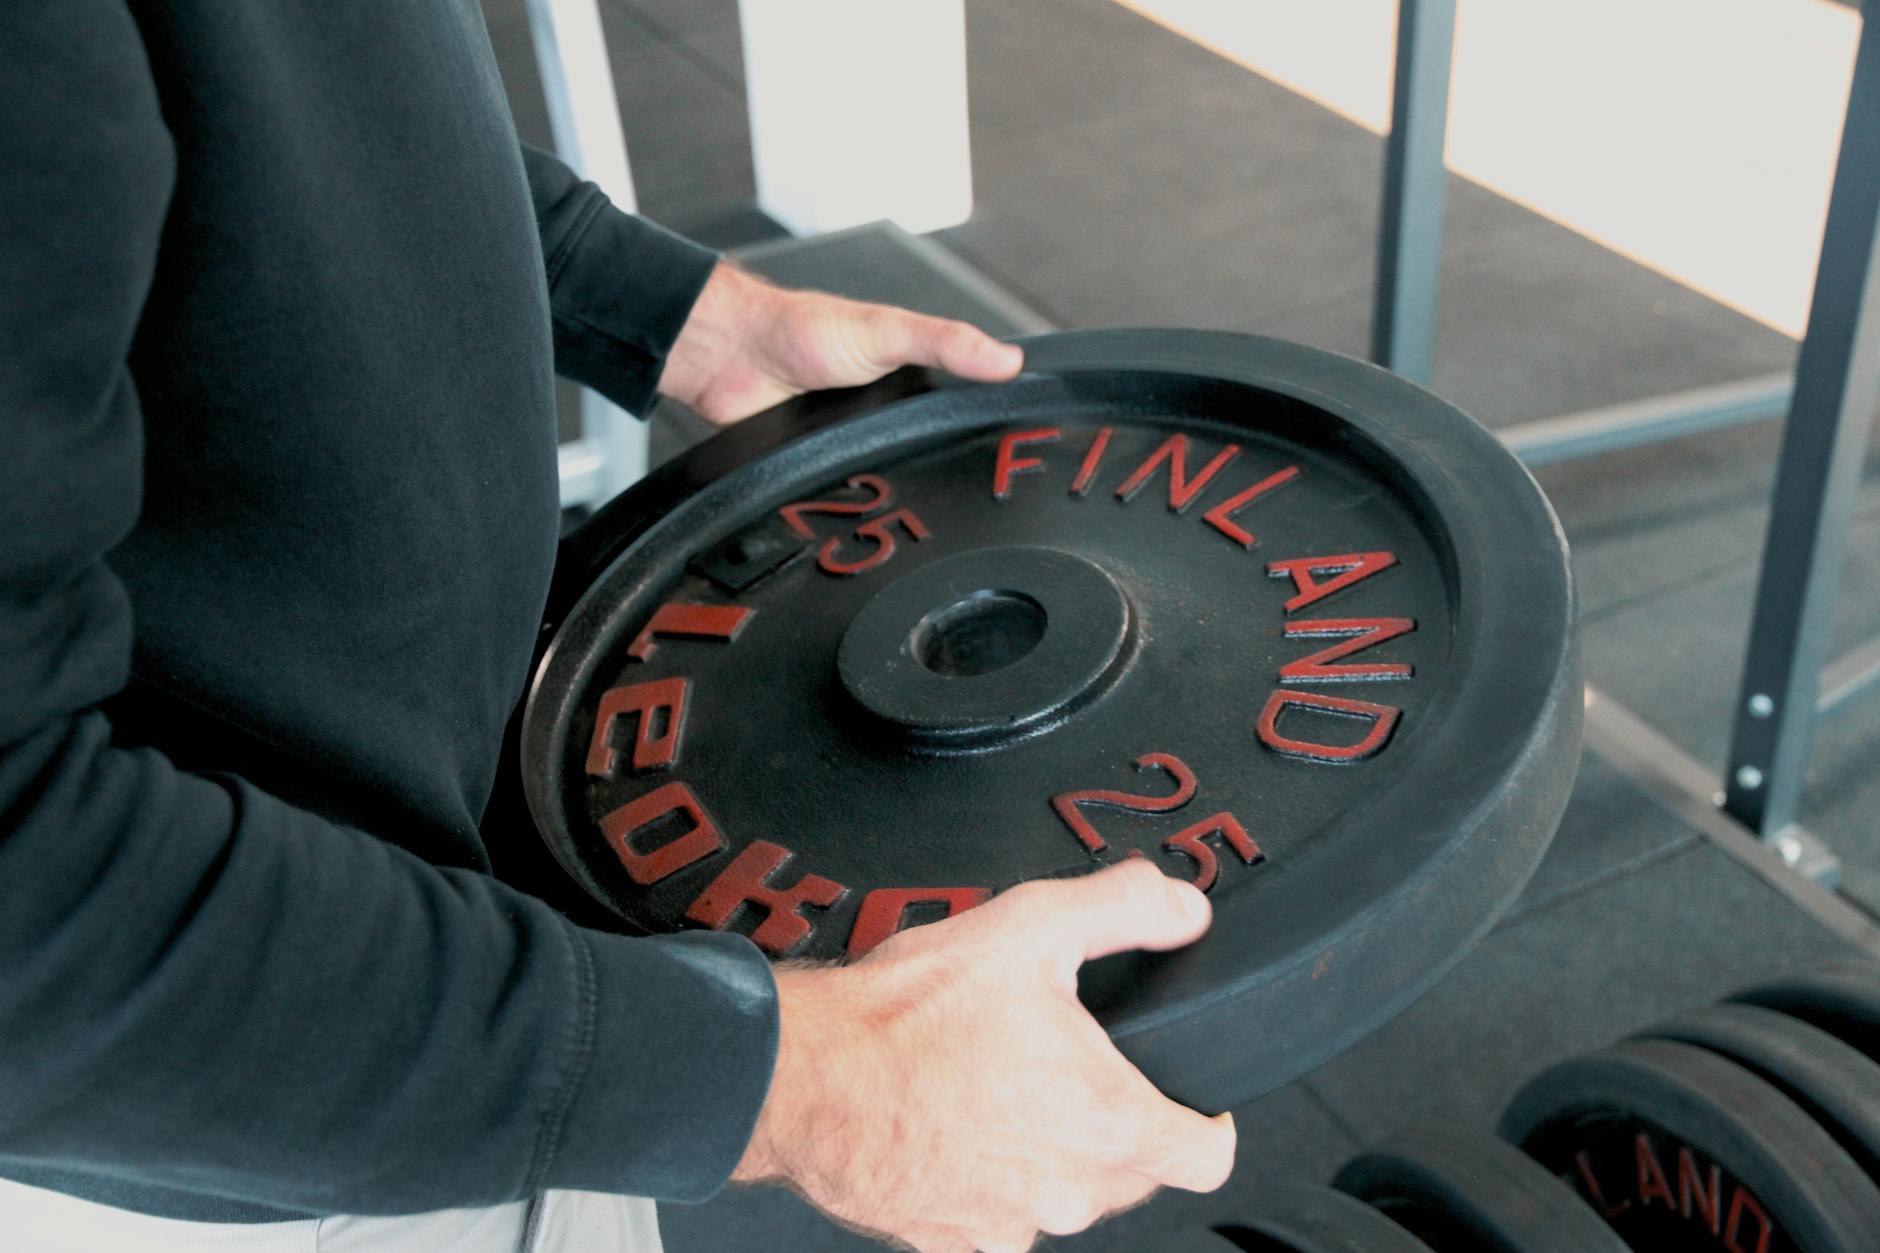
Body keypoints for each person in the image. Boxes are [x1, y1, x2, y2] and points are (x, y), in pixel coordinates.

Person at [0, 4, 1237, 1251]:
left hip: (487, 960)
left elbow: (299, 92)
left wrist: (653, 302)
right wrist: (794, 1082)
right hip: (225, 1098)